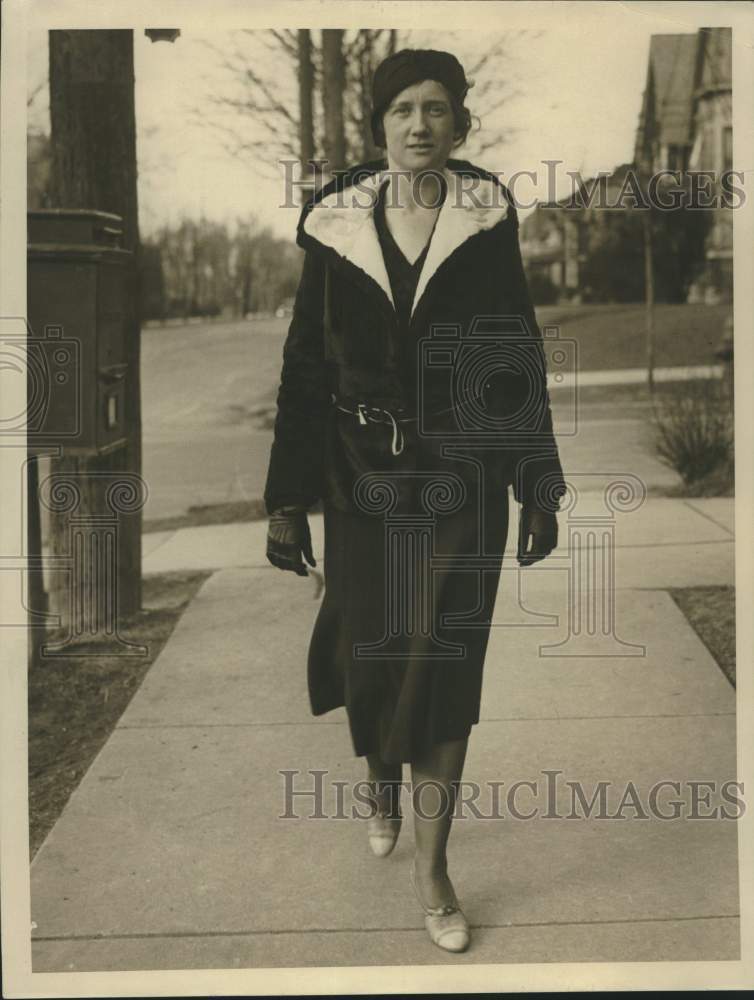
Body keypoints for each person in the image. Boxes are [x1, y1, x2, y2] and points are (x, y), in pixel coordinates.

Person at [264, 48, 566, 954]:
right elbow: (302, 368)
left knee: (443, 666)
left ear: (461, 123)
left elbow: (515, 351)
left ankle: (436, 870)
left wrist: (538, 479)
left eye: (437, 108)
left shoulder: (486, 220)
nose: (420, 124)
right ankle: (378, 777)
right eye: (402, 109)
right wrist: (286, 498)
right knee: (373, 654)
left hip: (466, 476)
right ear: (379, 125)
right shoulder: (333, 225)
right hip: (359, 474)